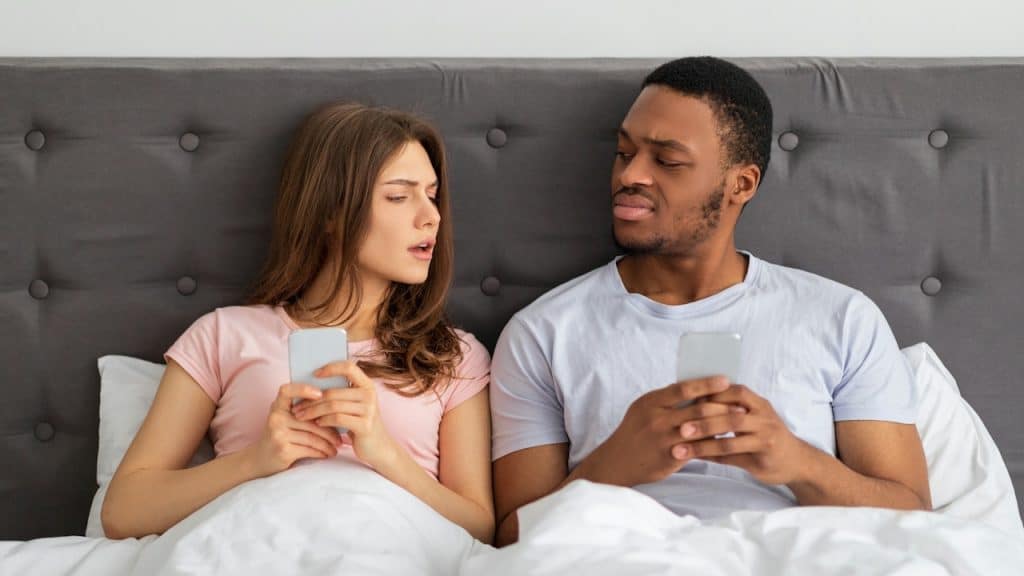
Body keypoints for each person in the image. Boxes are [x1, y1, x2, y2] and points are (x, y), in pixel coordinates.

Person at [490, 57, 932, 546]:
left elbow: (912, 513)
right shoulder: (542, 333)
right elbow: (512, 540)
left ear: (740, 184)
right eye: (623, 152)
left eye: (667, 160)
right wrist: (613, 464)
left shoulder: (841, 318)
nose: (630, 175)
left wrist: (796, 462)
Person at [102, 103, 494, 543]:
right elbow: (123, 511)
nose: (432, 216)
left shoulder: (453, 357)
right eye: (399, 196)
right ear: (330, 213)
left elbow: (479, 529)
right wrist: (257, 460)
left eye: (432, 193)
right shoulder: (224, 335)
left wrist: (385, 454)